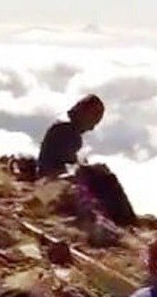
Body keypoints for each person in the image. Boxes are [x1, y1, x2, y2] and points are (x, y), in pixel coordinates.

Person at [36, 95, 138, 224]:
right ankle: (126, 220)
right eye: (93, 121)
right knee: (107, 180)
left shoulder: (65, 125)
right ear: (85, 113)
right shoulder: (67, 130)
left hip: (49, 175)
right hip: (51, 178)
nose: (92, 128)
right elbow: (68, 166)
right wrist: (92, 169)